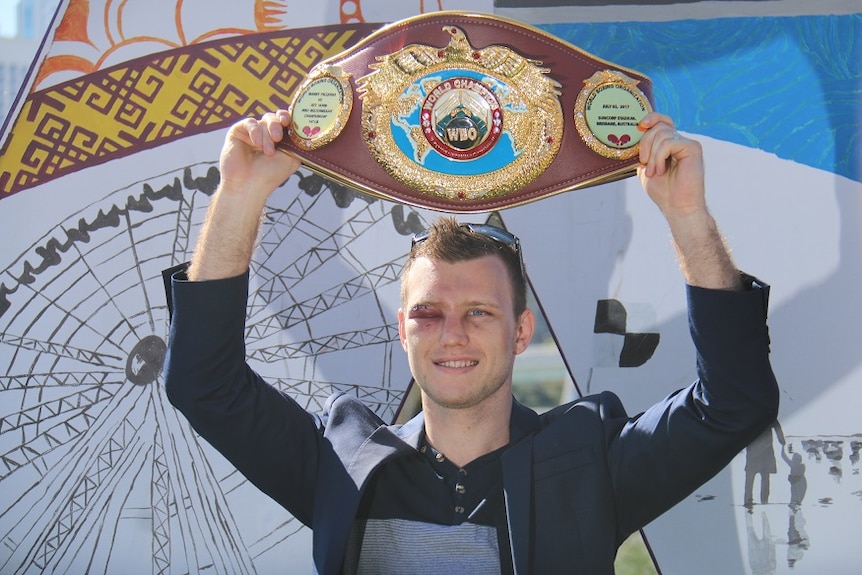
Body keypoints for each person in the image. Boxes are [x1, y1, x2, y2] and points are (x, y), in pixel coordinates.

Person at [163, 109, 779, 574]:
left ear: (520, 332)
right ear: (402, 328)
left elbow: (732, 403)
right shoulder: (343, 462)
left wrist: (687, 214)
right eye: (428, 313)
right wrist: (239, 196)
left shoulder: (588, 461)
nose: (451, 333)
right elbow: (203, 383)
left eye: (479, 312)